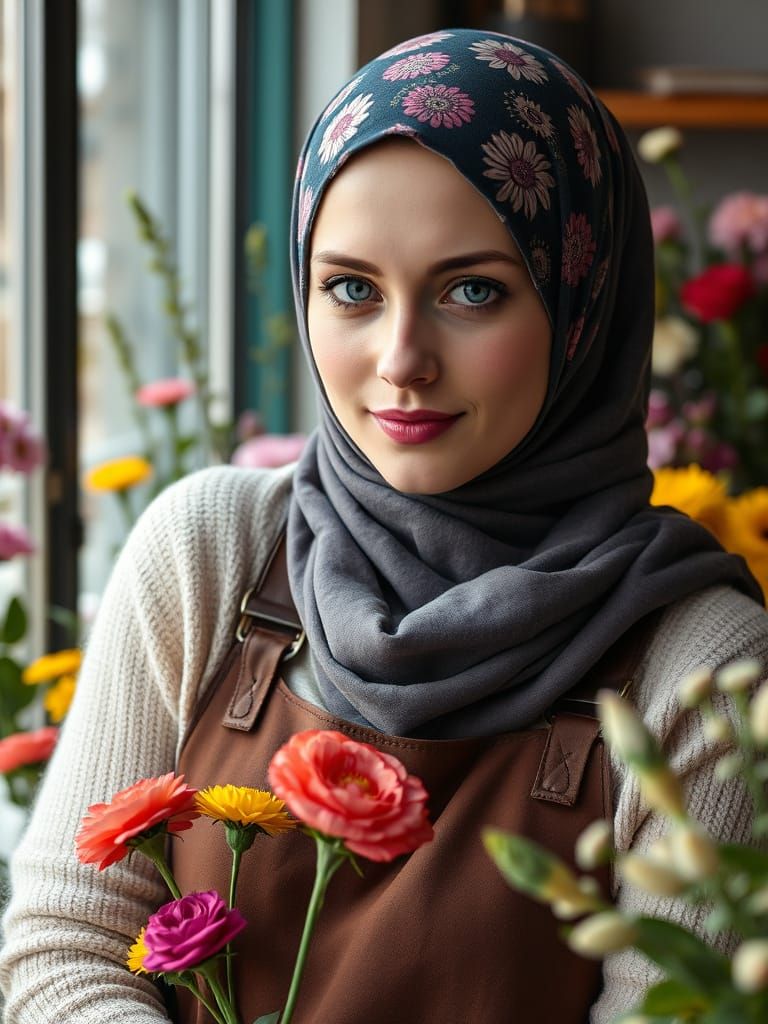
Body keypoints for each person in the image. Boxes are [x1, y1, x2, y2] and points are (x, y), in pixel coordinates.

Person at [1, 26, 767, 1024]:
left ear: (583, 305)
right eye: (352, 289)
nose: (400, 359)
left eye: (473, 291)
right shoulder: (209, 554)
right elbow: (67, 945)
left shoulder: (705, 671)